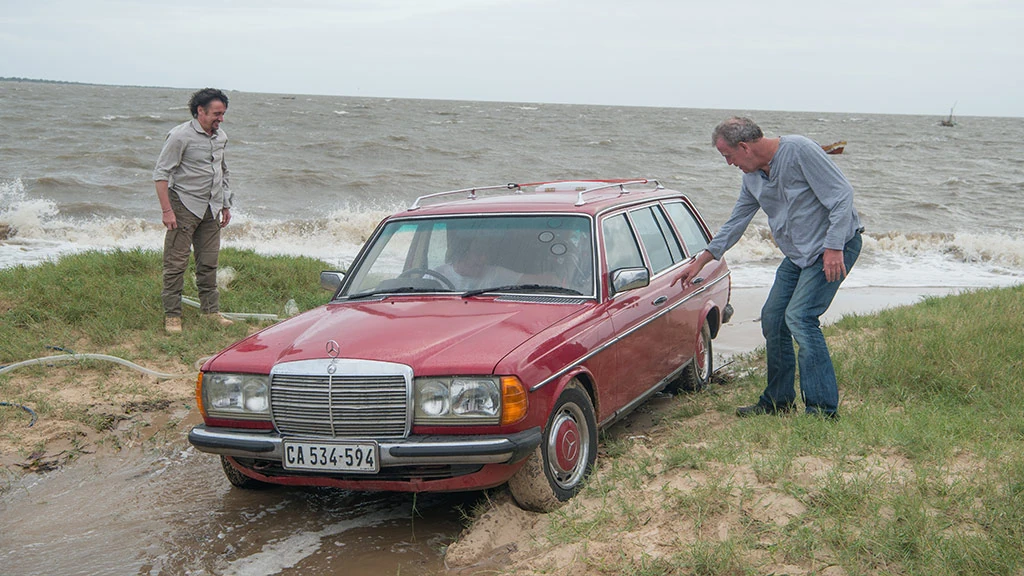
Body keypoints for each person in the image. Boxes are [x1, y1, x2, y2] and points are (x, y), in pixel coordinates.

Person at [677, 117, 863, 419]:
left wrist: (834, 246)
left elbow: (842, 196)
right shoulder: (751, 178)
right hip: (799, 255)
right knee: (774, 318)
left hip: (834, 247)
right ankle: (778, 402)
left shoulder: (800, 150)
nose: (729, 163)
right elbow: (736, 221)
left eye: (728, 155)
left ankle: (822, 411)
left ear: (744, 147)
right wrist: (702, 260)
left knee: (800, 318)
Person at [153, 88, 235, 333]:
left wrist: (226, 204)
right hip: (184, 205)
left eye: (223, 114)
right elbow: (161, 174)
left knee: (208, 263)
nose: (221, 119)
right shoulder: (180, 136)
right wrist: (167, 211)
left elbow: (223, 171)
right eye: (217, 114)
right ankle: (172, 316)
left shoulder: (221, 137)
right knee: (175, 264)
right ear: (201, 111)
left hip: (212, 207)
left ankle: (210, 312)